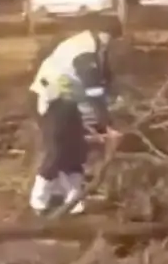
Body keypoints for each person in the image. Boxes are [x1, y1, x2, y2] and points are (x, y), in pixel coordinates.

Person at [27, 17, 122, 215]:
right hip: (52, 99)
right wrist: (107, 126)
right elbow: (94, 90)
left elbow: (104, 80)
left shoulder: (94, 46)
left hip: (69, 101)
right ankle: (39, 201)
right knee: (58, 150)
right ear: (106, 36)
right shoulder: (85, 51)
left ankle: (74, 199)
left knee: (76, 150)